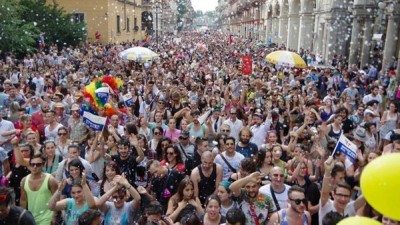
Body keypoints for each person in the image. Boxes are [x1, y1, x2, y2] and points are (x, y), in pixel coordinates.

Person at [319, 156, 366, 225]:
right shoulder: (327, 205)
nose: (343, 199)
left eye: (346, 196)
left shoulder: (350, 208)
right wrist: (327, 171)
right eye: (340, 195)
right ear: (333, 194)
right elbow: (325, 192)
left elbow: (366, 196)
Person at [20, 153, 58, 225]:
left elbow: (57, 198)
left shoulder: (50, 180)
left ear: (43, 165)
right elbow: (23, 200)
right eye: (32, 164)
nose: (34, 167)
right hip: (31, 219)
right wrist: (23, 216)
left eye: (38, 164)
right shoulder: (24, 180)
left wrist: (54, 216)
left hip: (47, 218)